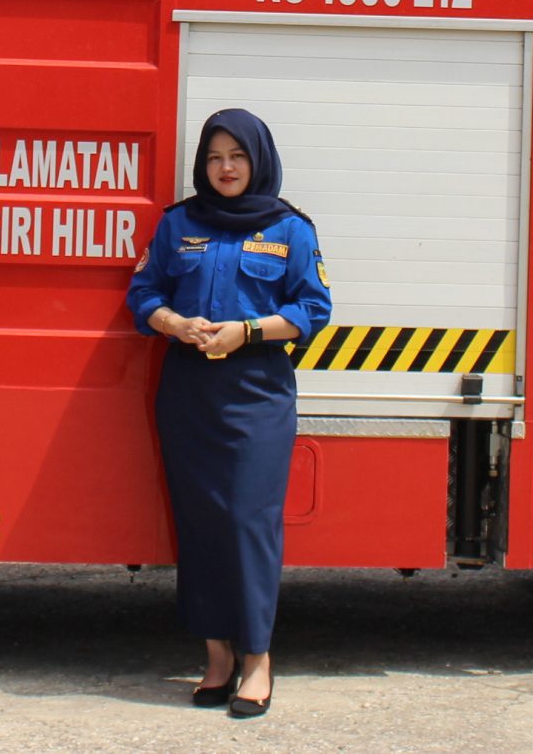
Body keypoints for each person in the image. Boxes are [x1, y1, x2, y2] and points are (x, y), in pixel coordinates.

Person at [125, 108, 330, 720]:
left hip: (257, 393)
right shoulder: (179, 224)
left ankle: (258, 658)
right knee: (201, 523)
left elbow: (313, 308)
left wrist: (245, 332)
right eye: (215, 157)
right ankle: (216, 656)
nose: (225, 168)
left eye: (237, 156)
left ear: (257, 160)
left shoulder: (291, 229)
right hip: (188, 392)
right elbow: (143, 295)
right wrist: (174, 323)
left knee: (247, 521)